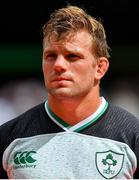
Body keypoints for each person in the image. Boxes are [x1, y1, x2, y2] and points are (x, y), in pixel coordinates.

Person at [0, 5, 139, 179]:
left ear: (100, 68)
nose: (58, 65)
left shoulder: (133, 136)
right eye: (50, 56)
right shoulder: (9, 138)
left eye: (72, 56)